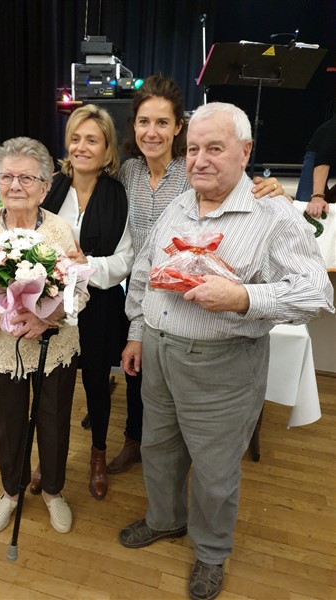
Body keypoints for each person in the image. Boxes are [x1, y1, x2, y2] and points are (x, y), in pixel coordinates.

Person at [118, 102, 334, 600]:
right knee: (159, 449)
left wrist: (242, 298)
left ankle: (212, 552)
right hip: (158, 351)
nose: (200, 159)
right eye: (193, 148)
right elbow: (147, 268)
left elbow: (315, 294)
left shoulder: (272, 213)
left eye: (214, 148)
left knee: (215, 470)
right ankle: (165, 520)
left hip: (223, 365)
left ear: (245, 151)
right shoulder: (180, 201)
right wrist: (136, 332)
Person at [107, 75, 287, 475]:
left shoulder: (193, 172)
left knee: (192, 417)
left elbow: (238, 188)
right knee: (139, 378)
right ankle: (134, 440)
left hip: (196, 306)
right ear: (133, 126)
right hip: (142, 292)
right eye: (143, 122)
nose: (151, 132)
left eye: (162, 123)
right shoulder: (128, 173)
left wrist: (273, 188)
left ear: (177, 128)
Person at [0, 137, 89, 536]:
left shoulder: (60, 229)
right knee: (6, 419)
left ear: (45, 186)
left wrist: (50, 319)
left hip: (53, 343)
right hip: (0, 344)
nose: (16, 185)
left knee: (53, 419)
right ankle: (11, 492)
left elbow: (78, 289)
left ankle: (52, 491)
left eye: (26, 177)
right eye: (7, 176)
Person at [41, 104, 133, 500]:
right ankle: (49, 459)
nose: (81, 146)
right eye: (75, 138)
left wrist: (88, 265)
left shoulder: (119, 195)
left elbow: (128, 259)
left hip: (99, 307)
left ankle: (98, 453)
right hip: (52, 306)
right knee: (53, 386)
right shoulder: (50, 188)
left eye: (91, 139)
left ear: (107, 148)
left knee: (96, 381)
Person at [296, 114, 336, 218]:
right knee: (306, 204)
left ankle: (329, 196)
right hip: (320, 153)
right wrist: (317, 196)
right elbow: (324, 157)